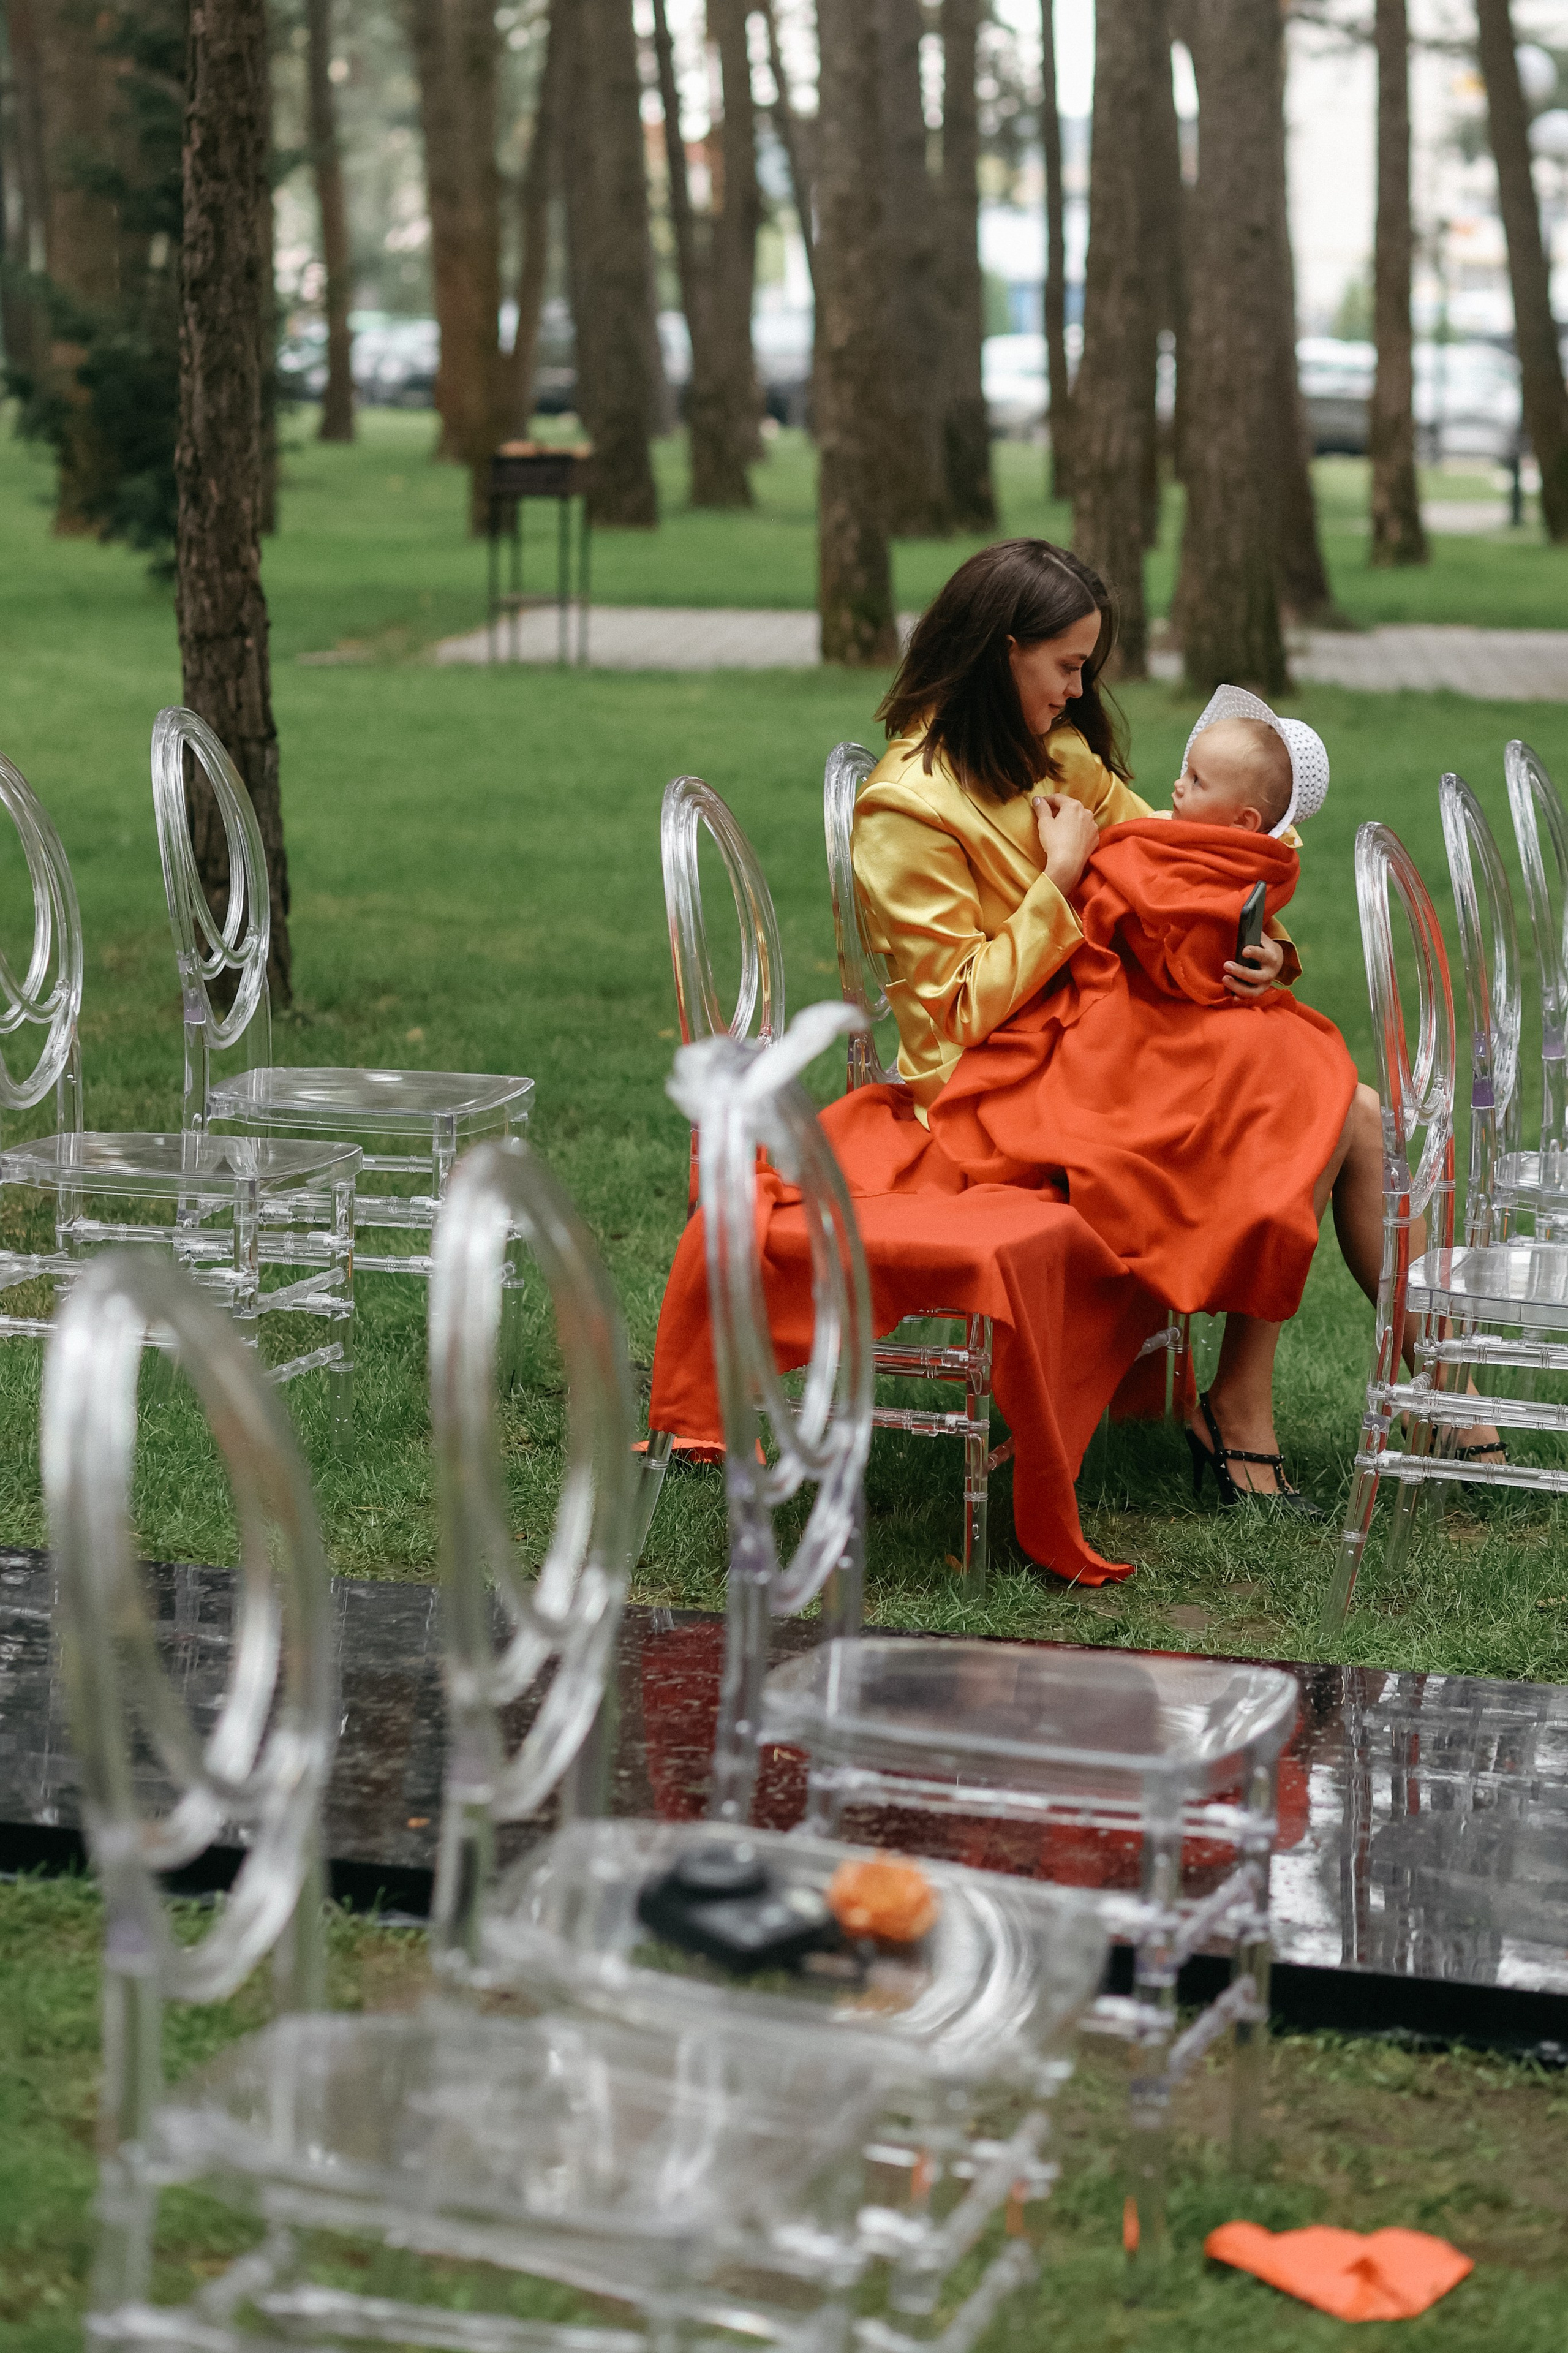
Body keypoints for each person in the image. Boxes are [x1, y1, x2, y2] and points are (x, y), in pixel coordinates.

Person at [851, 537, 1397, 1510]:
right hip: (991, 1092)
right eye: (1066, 666)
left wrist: (1266, 949)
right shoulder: (907, 808)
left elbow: (1191, 857)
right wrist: (1058, 879)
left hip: (1095, 1045)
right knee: (1327, 1094)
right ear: (1004, 651)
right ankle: (1309, 1399)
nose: (1076, 690)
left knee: (1329, 1091)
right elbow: (956, 1014)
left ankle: (1307, 1393)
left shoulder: (1053, 754)